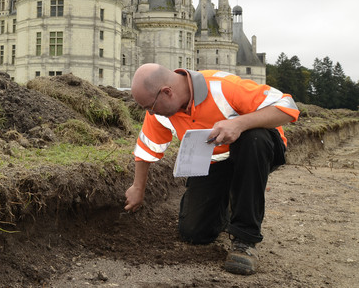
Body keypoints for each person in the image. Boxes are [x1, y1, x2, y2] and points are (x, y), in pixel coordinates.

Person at [125, 63, 299, 275]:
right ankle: (226, 206)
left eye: (150, 106)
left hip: (255, 152)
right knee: (194, 233)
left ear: (167, 92)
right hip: (214, 162)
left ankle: (245, 240)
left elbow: (288, 107)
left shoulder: (223, 87)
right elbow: (146, 148)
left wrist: (240, 124)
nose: (150, 112)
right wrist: (137, 188)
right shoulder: (160, 112)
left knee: (254, 139)